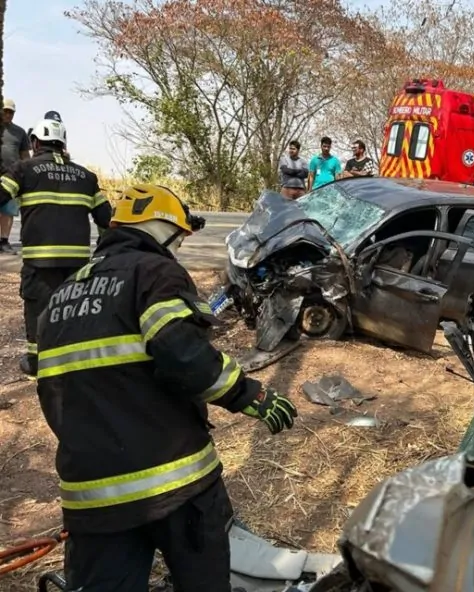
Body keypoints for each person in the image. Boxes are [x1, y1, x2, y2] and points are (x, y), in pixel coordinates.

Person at [35, 183, 297, 592]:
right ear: (162, 228)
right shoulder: (153, 272)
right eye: (179, 238)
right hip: (175, 483)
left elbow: (51, 392)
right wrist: (250, 395)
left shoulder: (61, 297)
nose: (178, 248)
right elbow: (183, 354)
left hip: (92, 495)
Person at [0, 118, 110, 376]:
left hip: (40, 261)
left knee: (38, 308)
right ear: (63, 144)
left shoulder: (23, 169)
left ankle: (37, 362)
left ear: (35, 143)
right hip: (77, 264)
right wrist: (105, 252)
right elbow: (107, 219)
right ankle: (74, 362)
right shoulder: (86, 176)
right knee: (73, 309)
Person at [1, 98, 31, 254]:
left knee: (8, 209)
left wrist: (29, 171)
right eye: (5, 111)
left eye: (10, 112)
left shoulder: (20, 132)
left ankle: (3, 241)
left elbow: (25, 155)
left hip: (12, 176)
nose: (7, 114)